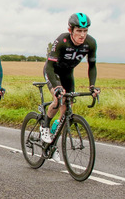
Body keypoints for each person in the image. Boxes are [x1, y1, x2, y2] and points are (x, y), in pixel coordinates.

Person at [42, 13, 101, 161]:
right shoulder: (62, 40)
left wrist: (92, 86)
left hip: (67, 73)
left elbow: (92, 66)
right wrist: (56, 88)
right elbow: (49, 66)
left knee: (67, 109)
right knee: (58, 99)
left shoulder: (91, 43)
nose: (82, 35)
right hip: (53, 71)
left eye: (85, 31)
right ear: (71, 30)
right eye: (79, 31)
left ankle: (53, 144)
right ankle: (45, 126)